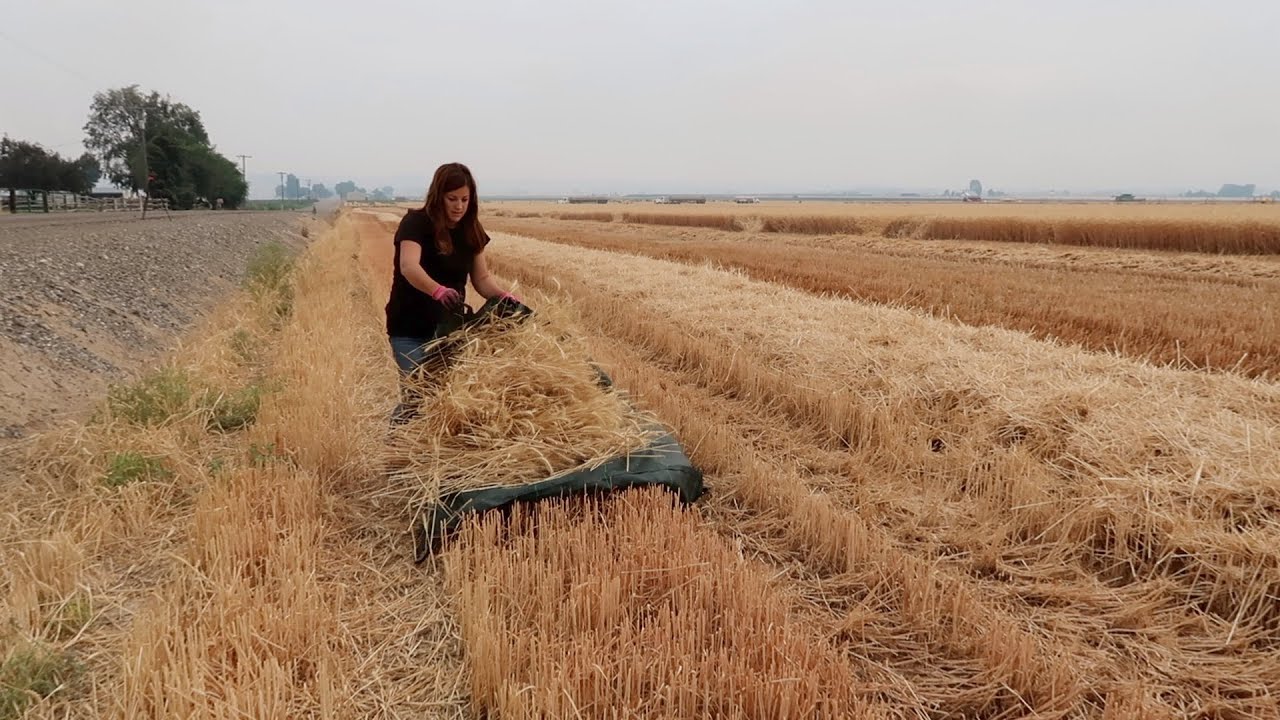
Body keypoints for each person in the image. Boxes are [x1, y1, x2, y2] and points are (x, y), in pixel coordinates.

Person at [385, 162, 520, 423]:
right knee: (419, 397)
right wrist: (436, 291)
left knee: (447, 399)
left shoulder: (472, 231)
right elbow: (408, 266)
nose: (459, 206)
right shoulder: (415, 223)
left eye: (465, 199)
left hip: (449, 330)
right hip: (410, 328)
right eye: (452, 199)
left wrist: (503, 297)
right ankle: (397, 453)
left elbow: (481, 279)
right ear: (438, 197)